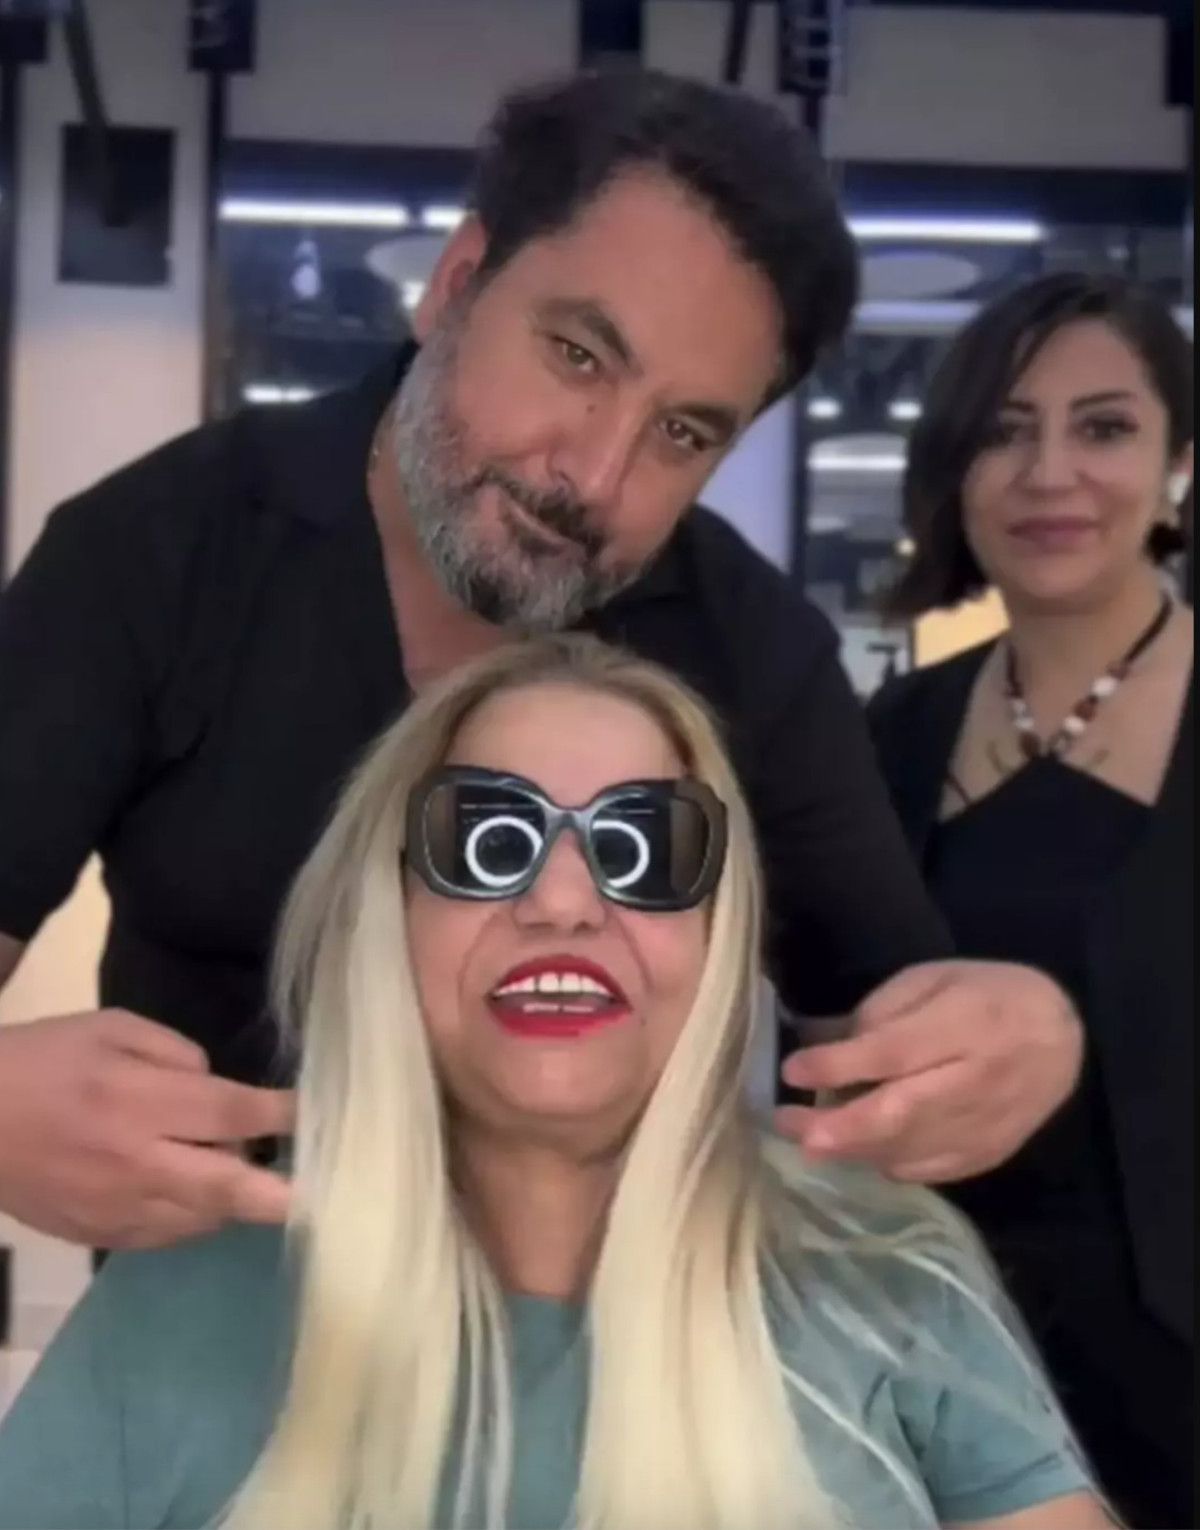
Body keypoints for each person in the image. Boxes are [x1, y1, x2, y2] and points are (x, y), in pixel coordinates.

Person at [0, 69, 1081, 1254]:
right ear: (457, 283)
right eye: (577, 355)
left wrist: (1019, 1035)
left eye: (682, 432)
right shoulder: (157, 551)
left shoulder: (748, 646)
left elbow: (884, 1044)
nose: (596, 479)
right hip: (213, 1309)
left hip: (603, 1333)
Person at [0, 636, 1110, 1530]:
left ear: (718, 937)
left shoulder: (891, 1273)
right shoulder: (174, 1304)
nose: (565, 903)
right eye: (488, 837)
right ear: (388, 914)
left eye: (646, 847)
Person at [867, 273, 1193, 1528]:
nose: (1050, 472)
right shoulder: (886, 739)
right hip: (930, 1365)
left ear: (1177, 466)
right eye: (1004, 432)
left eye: (1104, 427)